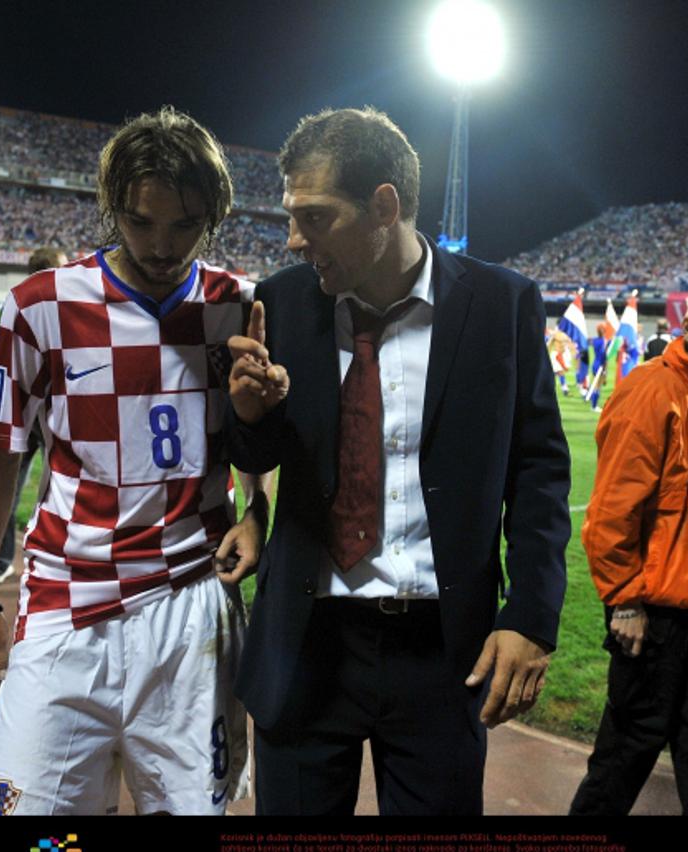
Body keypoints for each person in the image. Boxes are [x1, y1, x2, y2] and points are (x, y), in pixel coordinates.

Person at [226, 107, 570, 816]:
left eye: (315, 217)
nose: (294, 239)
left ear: (384, 205)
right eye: (292, 216)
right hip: (306, 644)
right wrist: (251, 418)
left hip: (441, 653)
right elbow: (260, 455)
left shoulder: (502, 305)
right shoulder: (283, 303)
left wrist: (531, 614)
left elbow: (537, 472)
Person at [0, 107, 267, 816]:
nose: (162, 246)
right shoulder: (40, 307)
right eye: (140, 222)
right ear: (111, 208)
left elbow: (252, 439)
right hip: (67, 600)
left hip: (194, 604)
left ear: (214, 217)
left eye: (185, 225)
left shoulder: (235, 304)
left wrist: (257, 512)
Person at [570, 278, 688, 816]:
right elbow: (612, 511)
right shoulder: (652, 390)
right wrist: (624, 599)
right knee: (626, 753)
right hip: (653, 617)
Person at [0, 247, 67, 586]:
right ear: (52, 270)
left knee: (10, 489)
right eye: (64, 267)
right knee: (62, 491)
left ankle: (5, 561)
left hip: (26, 413)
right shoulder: (55, 305)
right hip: (46, 416)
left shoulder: (16, 304)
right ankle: (50, 563)